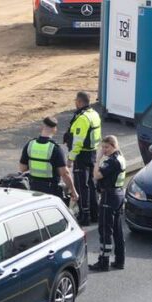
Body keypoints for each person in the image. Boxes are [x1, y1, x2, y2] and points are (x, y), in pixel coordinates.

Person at [19, 116, 79, 203]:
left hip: (33, 188)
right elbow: (65, 173)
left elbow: (22, 168)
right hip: (50, 190)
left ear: (42, 127)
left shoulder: (30, 145)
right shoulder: (55, 148)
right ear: (55, 129)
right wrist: (73, 191)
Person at [89, 136, 126, 272]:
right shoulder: (121, 157)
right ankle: (120, 260)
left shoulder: (111, 161)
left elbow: (96, 175)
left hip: (109, 196)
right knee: (117, 230)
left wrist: (97, 160)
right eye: (103, 147)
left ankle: (103, 262)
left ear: (114, 146)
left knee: (105, 230)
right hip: (118, 195)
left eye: (106, 147)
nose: (104, 150)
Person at [65, 91, 102, 226]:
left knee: (81, 186)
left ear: (80, 102)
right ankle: (94, 213)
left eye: (76, 100)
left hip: (82, 155)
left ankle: (84, 215)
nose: (75, 102)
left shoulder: (82, 118)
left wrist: (71, 158)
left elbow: (78, 141)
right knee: (91, 185)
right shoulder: (94, 114)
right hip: (92, 153)